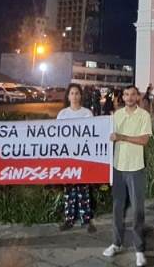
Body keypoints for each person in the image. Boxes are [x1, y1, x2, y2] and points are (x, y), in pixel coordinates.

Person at [103, 85, 152, 267]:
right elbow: (107, 137)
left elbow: (144, 140)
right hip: (117, 168)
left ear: (138, 97)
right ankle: (116, 243)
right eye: (126, 94)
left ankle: (139, 249)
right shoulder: (116, 115)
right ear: (122, 97)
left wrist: (122, 137)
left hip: (136, 168)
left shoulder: (144, 116)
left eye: (133, 94)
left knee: (138, 210)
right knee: (117, 208)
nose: (130, 97)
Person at [59, 84, 96, 232]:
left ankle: (86, 219)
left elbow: (93, 133)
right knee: (69, 188)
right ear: (68, 96)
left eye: (77, 93)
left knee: (83, 188)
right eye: (72, 93)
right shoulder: (62, 114)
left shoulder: (87, 113)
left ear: (81, 96)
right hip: (67, 155)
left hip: (83, 156)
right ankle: (69, 219)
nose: (74, 96)